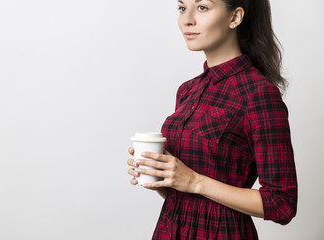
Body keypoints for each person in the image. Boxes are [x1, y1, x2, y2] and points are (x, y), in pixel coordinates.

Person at [127, 0, 298, 239]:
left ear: (235, 17)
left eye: (202, 7)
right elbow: (187, 191)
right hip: (170, 230)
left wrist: (195, 181)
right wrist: (161, 174)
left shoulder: (258, 94)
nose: (187, 19)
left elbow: (282, 204)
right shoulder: (187, 90)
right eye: (182, 8)